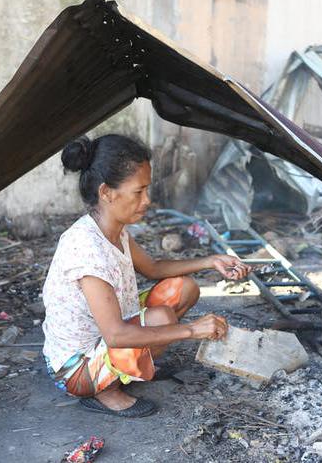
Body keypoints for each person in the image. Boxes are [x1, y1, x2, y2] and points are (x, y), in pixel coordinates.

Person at [41, 134, 250, 417]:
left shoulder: (113, 229)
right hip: (77, 369)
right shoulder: (86, 250)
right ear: (106, 192)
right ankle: (105, 392)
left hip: (107, 338)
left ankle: (137, 364)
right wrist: (192, 330)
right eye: (139, 192)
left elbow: (152, 268)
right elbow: (115, 335)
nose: (147, 200)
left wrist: (211, 261)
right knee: (162, 318)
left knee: (184, 288)